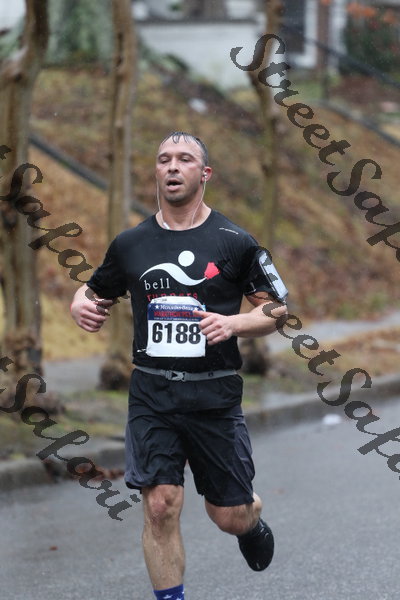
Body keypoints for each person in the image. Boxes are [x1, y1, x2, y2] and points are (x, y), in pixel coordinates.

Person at [71, 131, 288, 600]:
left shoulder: (236, 242)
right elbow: (94, 290)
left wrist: (233, 323)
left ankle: (249, 518)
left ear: (204, 173)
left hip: (214, 395)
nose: (172, 166)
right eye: (164, 159)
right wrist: (78, 302)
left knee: (227, 514)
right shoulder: (131, 243)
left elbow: (276, 309)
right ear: (156, 172)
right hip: (152, 394)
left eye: (184, 159)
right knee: (160, 505)